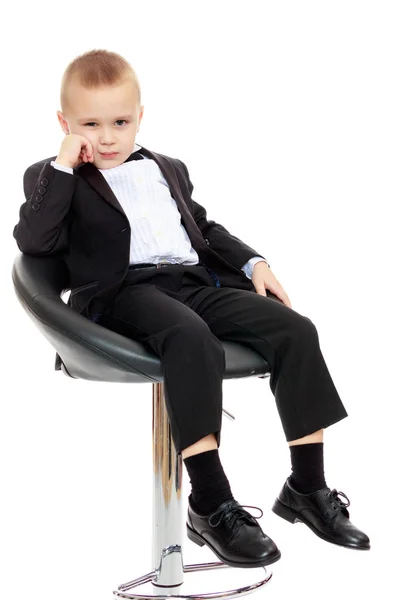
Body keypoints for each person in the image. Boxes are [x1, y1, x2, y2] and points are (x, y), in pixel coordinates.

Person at [13, 48, 370, 569]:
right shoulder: (53, 177)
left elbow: (202, 229)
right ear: (64, 123)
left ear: (140, 118)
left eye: (120, 121)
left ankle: (307, 489)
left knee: (295, 330)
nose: (107, 137)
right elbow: (35, 239)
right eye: (90, 124)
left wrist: (253, 262)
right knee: (190, 337)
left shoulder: (168, 168)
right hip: (123, 293)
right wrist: (64, 163)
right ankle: (209, 502)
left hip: (192, 282)